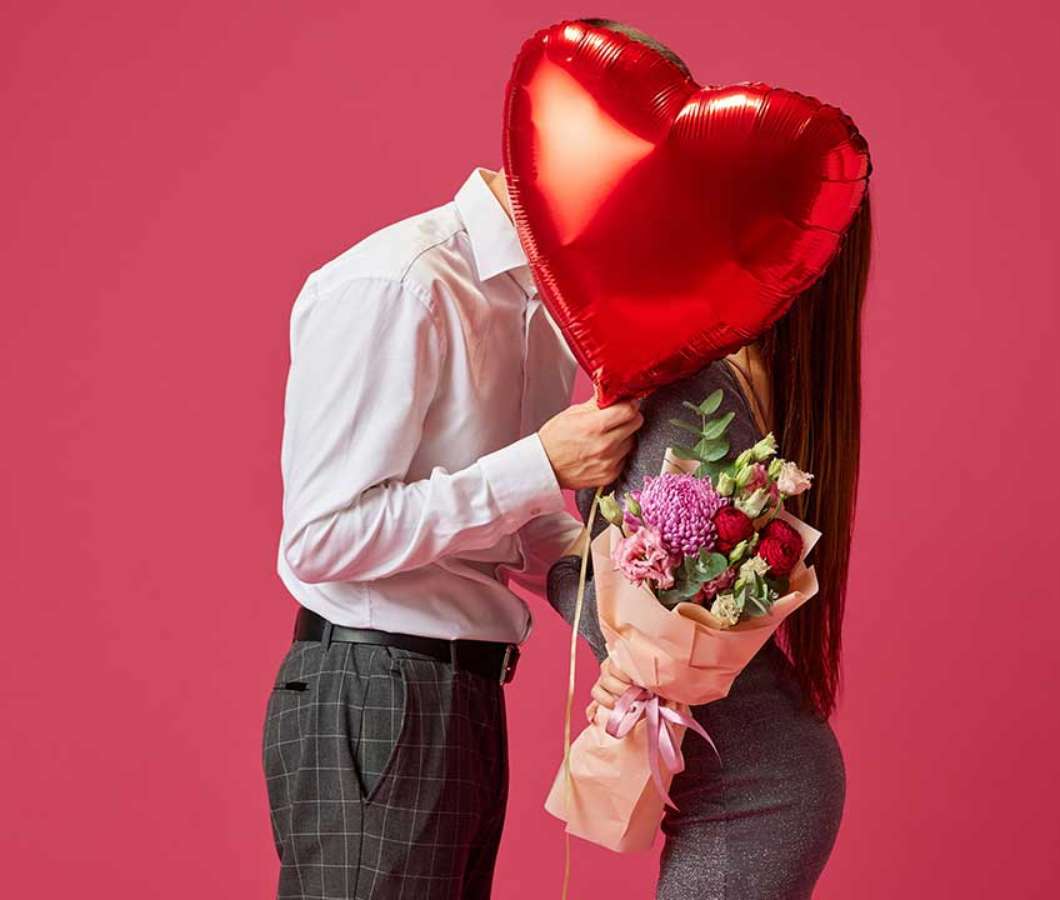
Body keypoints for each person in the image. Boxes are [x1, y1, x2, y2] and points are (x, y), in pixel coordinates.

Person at [545, 23, 874, 900]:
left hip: (751, 792)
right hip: (760, 778)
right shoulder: (758, 388)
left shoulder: (692, 395)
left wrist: (548, 559)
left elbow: (647, 620)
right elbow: (678, 613)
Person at [262, 162, 642, 899]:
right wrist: (540, 464)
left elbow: (514, 516)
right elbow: (322, 536)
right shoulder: (399, 283)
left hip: (463, 694)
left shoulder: (539, 302)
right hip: (376, 694)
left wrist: (639, 597)